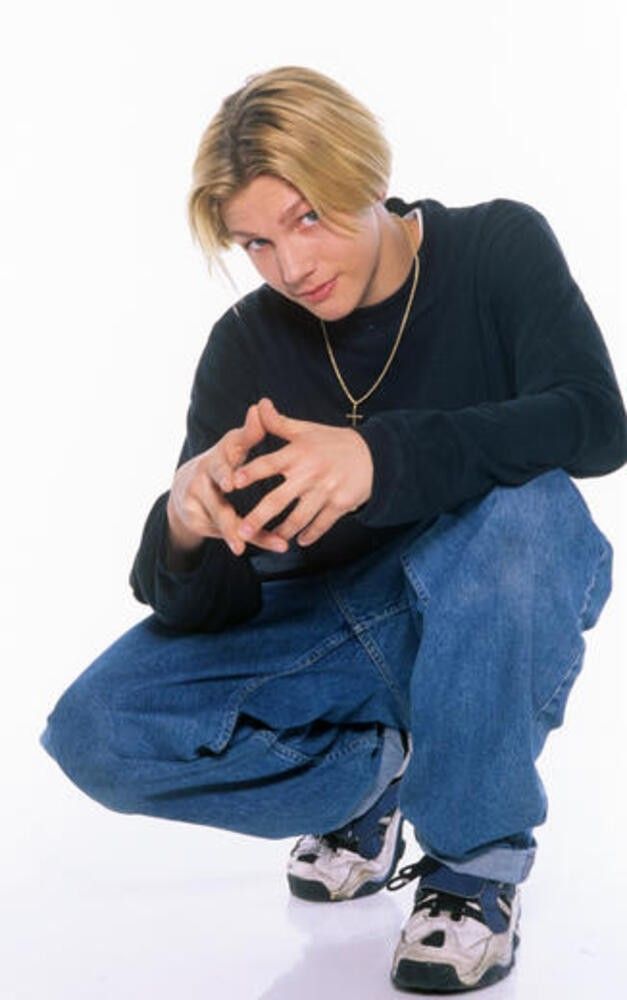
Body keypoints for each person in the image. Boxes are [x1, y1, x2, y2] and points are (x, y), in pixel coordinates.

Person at [39, 65, 627, 993]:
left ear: (363, 170)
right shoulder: (247, 342)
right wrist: (187, 527)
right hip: (334, 626)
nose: (292, 267)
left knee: (523, 512)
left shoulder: (495, 246)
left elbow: (594, 422)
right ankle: (369, 777)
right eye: (257, 243)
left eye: (307, 217)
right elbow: (217, 605)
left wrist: (376, 459)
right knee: (95, 730)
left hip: (490, 592)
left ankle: (471, 868)